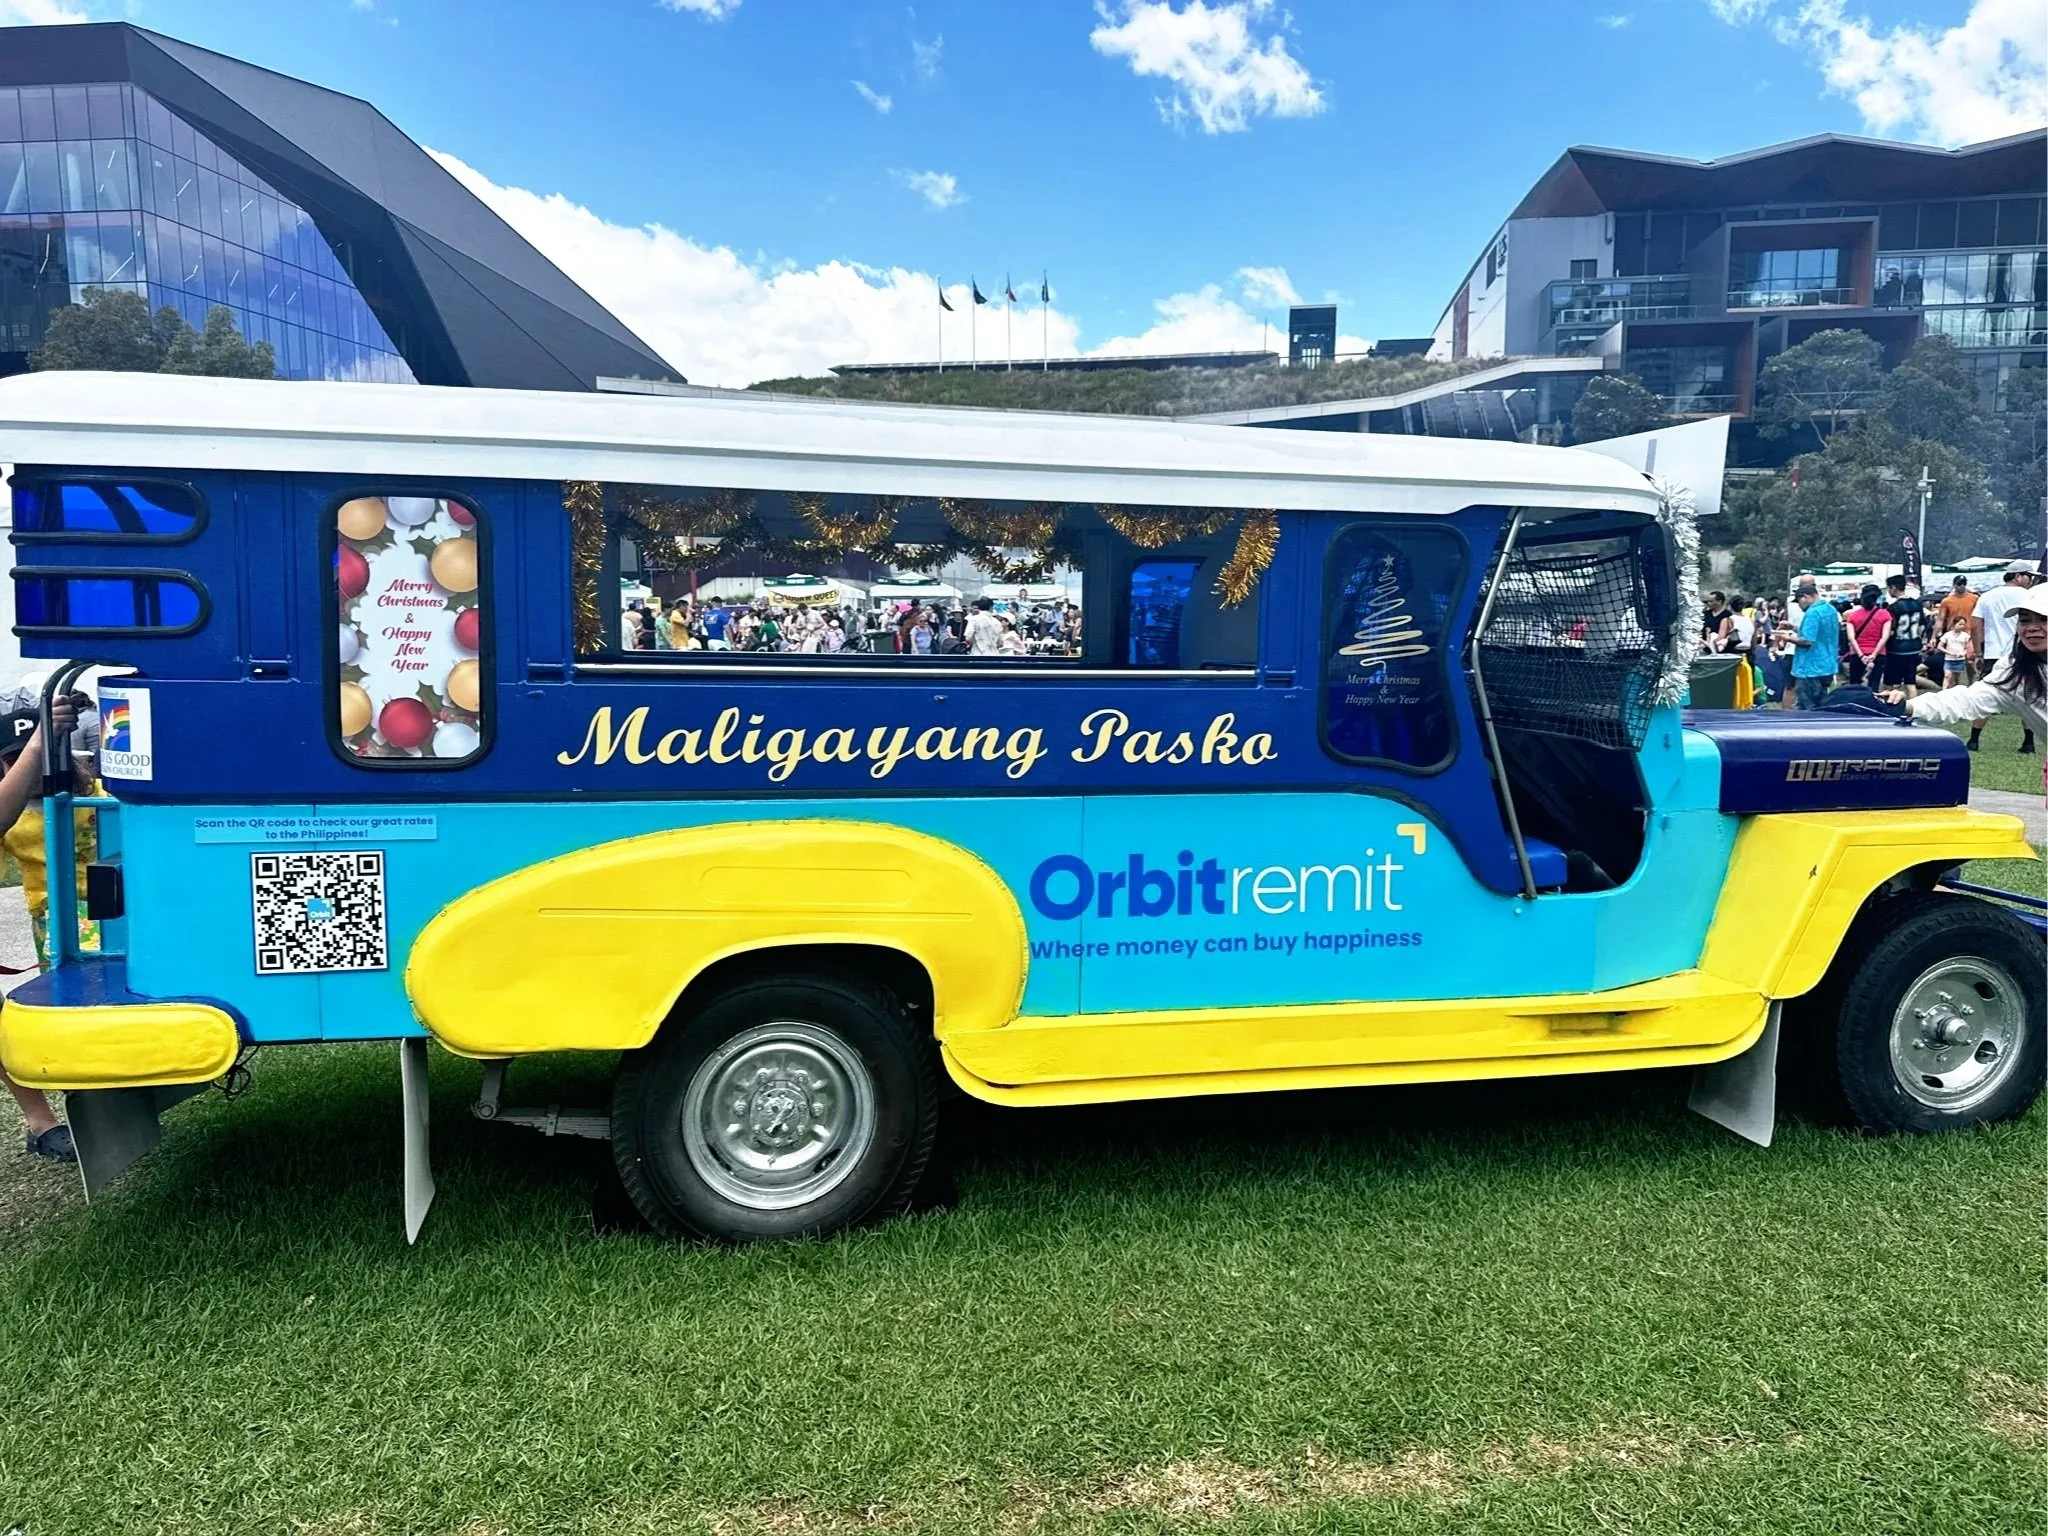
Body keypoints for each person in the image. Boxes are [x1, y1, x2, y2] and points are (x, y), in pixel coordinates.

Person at [0, 694, 82, 1162]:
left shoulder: (90, 796)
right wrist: (36, 745)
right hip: (53, 916)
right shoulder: (16, 816)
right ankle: (40, 1119)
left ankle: (48, 1117)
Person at [1886, 587, 2048, 795]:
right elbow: (1966, 700)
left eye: (2044, 619)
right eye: (2025, 620)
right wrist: (1907, 705)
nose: (2032, 628)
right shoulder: (2014, 673)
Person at [1967, 561, 2039, 753]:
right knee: (2029, 696)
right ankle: (2028, 742)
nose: (2030, 580)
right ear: (2018, 576)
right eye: (2028, 576)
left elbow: (1975, 625)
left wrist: (1978, 651)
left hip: (1992, 654)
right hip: (2022, 653)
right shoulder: (2029, 595)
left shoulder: (1987, 596)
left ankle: (1974, 740)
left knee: (1985, 696)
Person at [1781, 578, 1841, 710]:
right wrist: (1793, 627)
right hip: (1827, 665)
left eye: (1799, 602)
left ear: (1805, 597)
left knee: (1806, 706)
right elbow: (1820, 633)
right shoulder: (1830, 609)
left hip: (1810, 667)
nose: (1799, 606)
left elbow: (1807, 640)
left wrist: (1787, 638)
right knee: (1821, 704)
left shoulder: (1812, 613)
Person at [1880, 573, 1925, 700]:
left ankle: (1889, 706)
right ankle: (1914, 707)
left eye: (1889, 588)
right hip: (1914, 646)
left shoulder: (1893, 607)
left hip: (1896, 649)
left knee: (1890, 683)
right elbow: (1921, 627)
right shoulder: (1917, 604)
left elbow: (1891, 630)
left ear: (1893, 588)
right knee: (1910, 681)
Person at [1842, 584, 1890, 687]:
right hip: (1878, 654)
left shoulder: (1852, 616)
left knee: (1855, 685)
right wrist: (1874, 654)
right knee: (1874, 685)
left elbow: (1851, 638)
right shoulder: (1885, 615)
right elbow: (1884, 637)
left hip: (1857, 654)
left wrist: (1861, 655)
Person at [1935, 574, 1979, 641]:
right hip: (1952, 635)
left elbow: (1979, 617)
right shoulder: (1947, 601)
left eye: (1964, 583)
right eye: (1959, 584)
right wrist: (1933, 637)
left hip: (1969, 634)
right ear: (1954, 585)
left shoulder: (1974, 599)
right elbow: (1940, 619)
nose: (1962, 586)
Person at [1937, 614, 1973, 689]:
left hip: (1960, 659)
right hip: (1949, 659)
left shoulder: (1965, 636)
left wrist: (1963, 653)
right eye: (1960, 624)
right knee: (1947, 675)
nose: (1962, 626)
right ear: (1954, 624)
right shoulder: (1947, 635)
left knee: (1956, 678)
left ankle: (1954, 690)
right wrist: (1949, 652)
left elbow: (1968, 647)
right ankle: (1944, 691)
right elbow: (1939, 646)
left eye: (1963, 625)